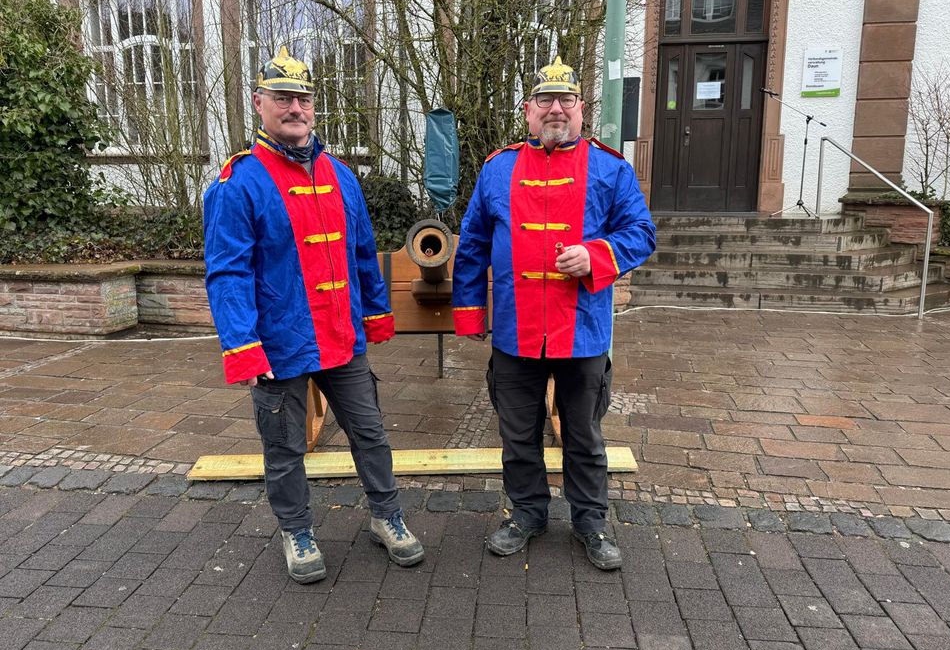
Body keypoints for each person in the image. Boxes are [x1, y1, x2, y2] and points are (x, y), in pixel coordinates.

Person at [203, 46, 423, 583]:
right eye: (282, 97)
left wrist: (375, 313)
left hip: (341, 337)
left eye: (302, 98)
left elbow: (362, 251)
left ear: (314, 107)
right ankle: (296, 531)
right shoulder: (237, 183)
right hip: (278, 344)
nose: (294, 107)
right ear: (260, 104)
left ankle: (387, 516)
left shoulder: (342, 176)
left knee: (370, 434)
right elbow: (227, 274)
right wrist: (242, 345)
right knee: (284, 449)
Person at [452, 57, 656, 570]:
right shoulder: (498, 168)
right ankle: (526, 514)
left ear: (581, 110)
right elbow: (473, 244)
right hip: (517, 332)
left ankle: (590, 521)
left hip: (583, 331)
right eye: (545, 101)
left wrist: (596, 255)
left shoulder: (611, 168)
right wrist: (472, 314)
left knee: (584, 435)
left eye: (566, 100)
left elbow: (641, 234)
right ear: (528, 111)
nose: (556, 109)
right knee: (517, 433)